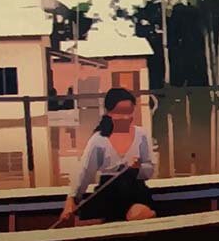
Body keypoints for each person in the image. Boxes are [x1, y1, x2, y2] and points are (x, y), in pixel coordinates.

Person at [59, 88, 156, 224]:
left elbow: (149, 170)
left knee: (139, 213)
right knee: (85, 220)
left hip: (135, 190)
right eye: (121, 113)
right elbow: (85, 172)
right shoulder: (98, 139)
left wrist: (139, 167)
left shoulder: (142, 135)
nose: (126, 117)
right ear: (109, 112)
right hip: (108, 193)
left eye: (129, 112)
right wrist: (72, 199)